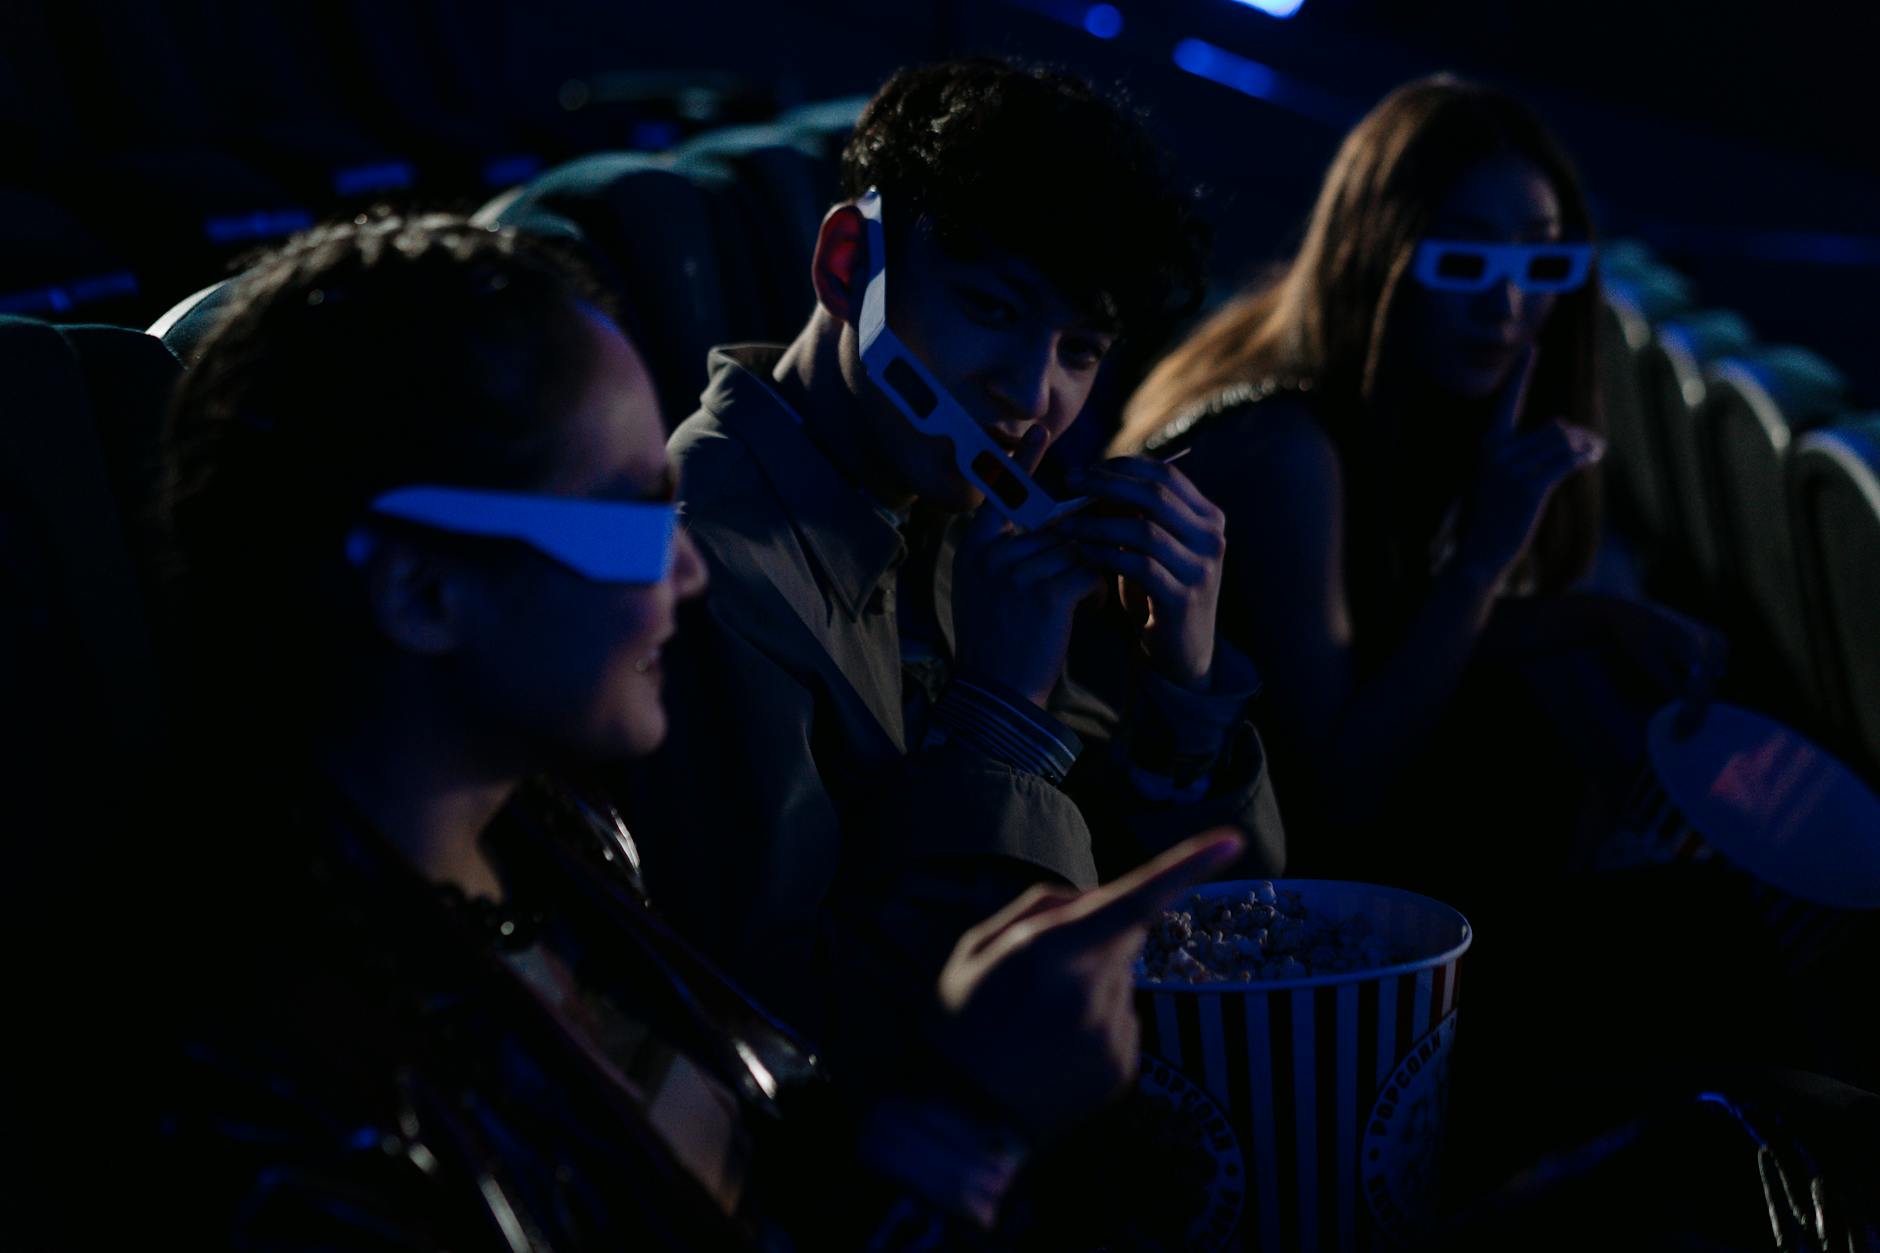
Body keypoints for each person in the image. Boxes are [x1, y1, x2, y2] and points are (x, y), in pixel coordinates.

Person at [143, 212, 1243, 1248]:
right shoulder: (289, 1086)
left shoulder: (553, 845)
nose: (684, 566)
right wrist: (965, 1121)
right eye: (625, 520)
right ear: (422, 589)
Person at [624, 59, 1285, 1043]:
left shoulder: (953, 522)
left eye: (1078, 349)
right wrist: (996, 725)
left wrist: (1183, 693)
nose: (1030, 396)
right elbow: (795, 1026)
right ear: (848, 265)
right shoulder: (702, 566)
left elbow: (1217, 942)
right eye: (990, 307)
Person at [1111, 75, 1718, 880]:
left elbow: (1364, 646)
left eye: (1542, 257)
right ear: (1375, 259)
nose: (1508, 302)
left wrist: (1583, 617)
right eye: (1463, 259)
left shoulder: (1342, 382)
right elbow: (1339, 794)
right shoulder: (1287, 448)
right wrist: (1478, 564)